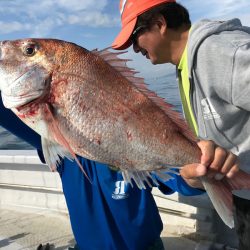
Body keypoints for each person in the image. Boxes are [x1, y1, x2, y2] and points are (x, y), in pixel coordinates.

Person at [0, 2, 241, 250]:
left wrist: (196, 178)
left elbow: (174, 179)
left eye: (29, 51)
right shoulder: (59, 147)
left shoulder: (131, 140)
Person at [112, 0, 250, 249]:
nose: (134, 49)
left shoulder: (215, 51)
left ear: (160, 23)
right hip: (241, 193)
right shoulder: (186, 66)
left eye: (135, 37)